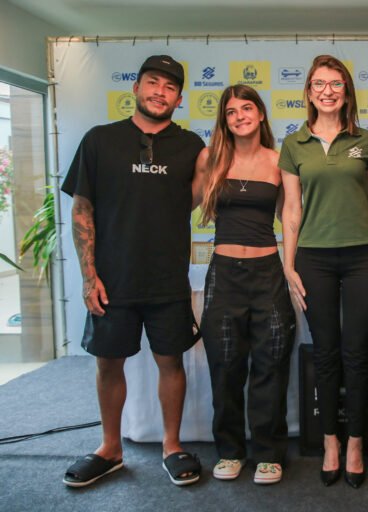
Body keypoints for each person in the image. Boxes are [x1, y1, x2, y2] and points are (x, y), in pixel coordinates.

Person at [61, 55, 205, 487]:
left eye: (169, 87)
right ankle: (110, 448)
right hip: (112, 279)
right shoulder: (99, 140)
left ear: (180, 99)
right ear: (136, 88)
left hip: (167, 279)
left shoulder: (193, 146)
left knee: (171, 363)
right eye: (152, 82)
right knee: (109, 365)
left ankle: (172, 445)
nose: (159, 91)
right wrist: (89, 276)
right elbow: (82, 209)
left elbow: (193, 202)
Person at [279, 54, 368, 488]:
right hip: (314, 259)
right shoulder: (294, 144)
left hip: (363, 257)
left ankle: (356, 441)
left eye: (336, 84)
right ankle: (330, 443)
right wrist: (288, 264)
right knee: (324, 351)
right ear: (308, 92)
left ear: (347, 92)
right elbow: (291, 210)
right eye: (319, 84)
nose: (327, 91)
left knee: (357, 351)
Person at [195, 85, 296, 484]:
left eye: (247, 108)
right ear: (224, 120)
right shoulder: (211, 159)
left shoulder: (278, 160)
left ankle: (269, 452)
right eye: (231, 111)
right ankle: (231, 451)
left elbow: (289, 218)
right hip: (224, 275)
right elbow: (180, 202)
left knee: (270, 363)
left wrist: (292, 266)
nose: (239, 116)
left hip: (267, 272)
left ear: (261, 114)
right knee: (225, 365)